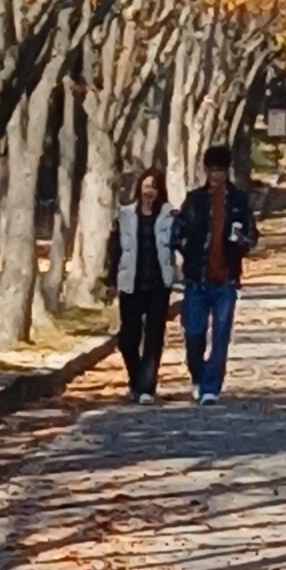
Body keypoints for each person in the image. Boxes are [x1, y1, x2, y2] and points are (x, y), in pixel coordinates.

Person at [171, 140, 258, 398]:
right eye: (211, 170)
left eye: (220, 170)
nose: (215, 175)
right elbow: (178, 233)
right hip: (196, 279)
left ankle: (211, 388)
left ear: (226, 171)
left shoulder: (239, 201)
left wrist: (241, 240)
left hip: (225, 280)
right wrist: (187, 252)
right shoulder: (195, 200)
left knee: (220, 335)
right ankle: (198, 376)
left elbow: (252, 236)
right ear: (206, 171)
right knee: (193, 332)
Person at [107, 161, 173, 398]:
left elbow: (180, 243)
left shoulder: (169, 215)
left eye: (154, 187)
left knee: (154, 337)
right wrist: (111, 281)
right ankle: (136, 379)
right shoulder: (125, 215)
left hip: (158, 284)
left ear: (160, 190)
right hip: (131, 283)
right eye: (146, 186)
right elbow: (115, 249)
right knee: (127, 338)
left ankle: (146, 387)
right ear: (139, 188)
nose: (149, 192)